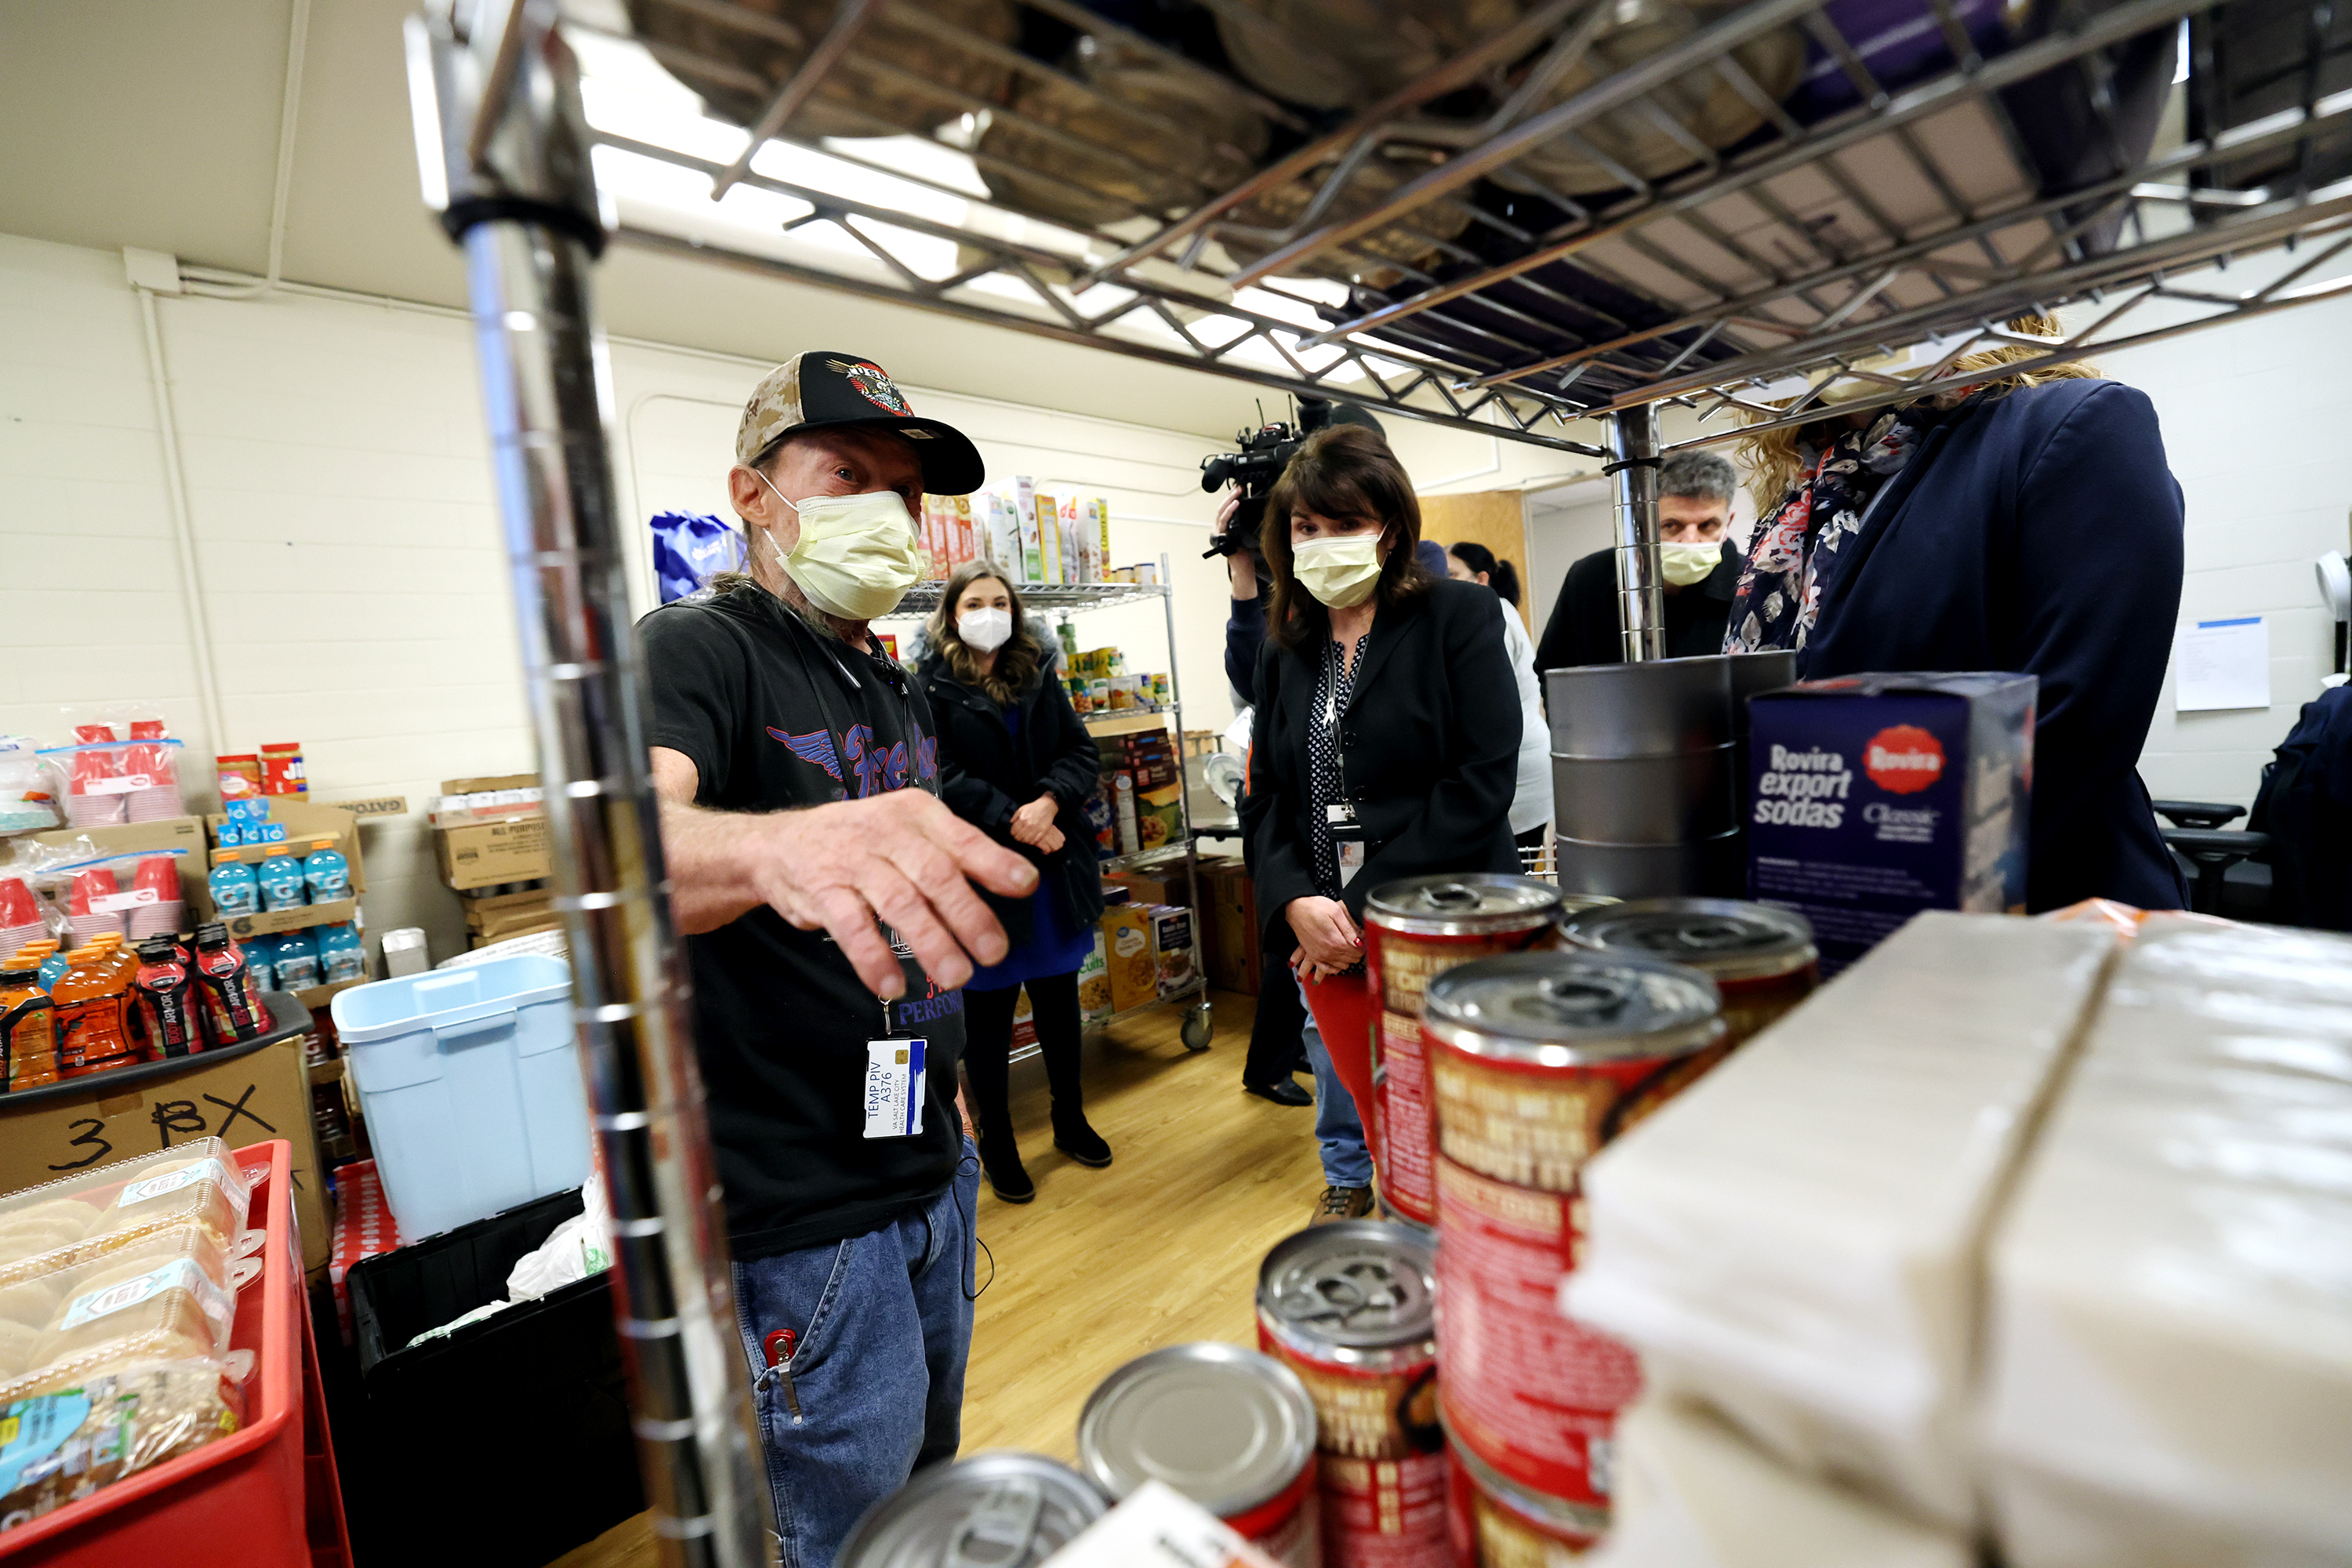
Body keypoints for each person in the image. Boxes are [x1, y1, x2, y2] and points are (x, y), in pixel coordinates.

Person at [639, 351, 1039, 1568]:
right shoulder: (696, 650)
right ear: (752, 495)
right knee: (853, 1528)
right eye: (847, 476)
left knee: (928, 1491)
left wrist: (956, 1081)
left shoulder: (884, 674)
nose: (888, 517)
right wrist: (782, 851)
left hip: (927, 1161)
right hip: (804, 1213)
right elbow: (620, 853)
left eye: (906, 495)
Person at [1726, 315, 2187, 912]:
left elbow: (2077, 727)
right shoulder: (1813, 488)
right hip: (1834, 906)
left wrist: (1871, 893)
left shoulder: (2073, 421)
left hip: (2030, 907)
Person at [1241, 425, 1522, 1224]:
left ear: (1391, 529)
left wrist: (1359, 906)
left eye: (1345, 523)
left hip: (1443, 924)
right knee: (1375, 1116)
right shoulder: (1286, 646)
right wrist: (1294, 897)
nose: (1322, 542)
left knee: (1459, 1137)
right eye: (1306, 528)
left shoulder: (1460, 615)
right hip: (1325, 936)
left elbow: (1479, 784)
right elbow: (1266, 797)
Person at [920, 560, 1112, 1201]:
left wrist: (1049, 804)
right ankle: (997, 1144)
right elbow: (936, 774)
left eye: (998, 601)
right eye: (974, 602)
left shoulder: (1037, 672)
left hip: (1052, 870)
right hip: (981, 877)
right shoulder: (929, 686)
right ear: (953, 614)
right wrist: (1013, 817)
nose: (987, 612)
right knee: (988, 1024)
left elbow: (1082, 753)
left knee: (1061, 1009)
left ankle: (1070, 1119)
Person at [1218, 495, 1315, 1109]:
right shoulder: (1273, 633)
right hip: (1278, 803)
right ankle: (1266, 1066)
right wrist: (1240, 569)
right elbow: (1248, 664)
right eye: (1306, 527)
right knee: (1287, 942)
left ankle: (1295, 1049)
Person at [1534, 451, 1743, 670]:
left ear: (1727, 523)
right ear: (1643, 523)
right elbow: (1552, 670)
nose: (1690, 540)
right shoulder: (1588, 579)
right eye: (1671, 525)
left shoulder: (1751, 587)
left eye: (1707, 525)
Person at [1446, 542, 1554, 851]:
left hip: (1520, 769)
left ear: (1481, 579)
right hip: (1519, 759)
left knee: (1509, 884)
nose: (1441, 582)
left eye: (1452, 574)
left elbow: (1481, 704)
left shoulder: (1489, 615)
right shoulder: (1497, 609)